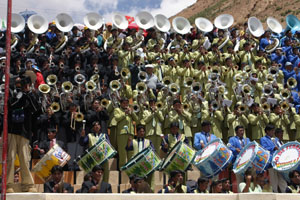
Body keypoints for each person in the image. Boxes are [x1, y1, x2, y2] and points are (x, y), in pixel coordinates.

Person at [7, 76, 39, 193]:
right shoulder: (11, 93)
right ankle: (8, 184)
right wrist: (20, 94)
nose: (21, 85)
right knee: (10, 158)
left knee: (25, 159)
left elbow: (36, 109)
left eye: (23, 83)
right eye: (19, 83)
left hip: (24, 132)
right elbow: (11, 104)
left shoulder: (30, 96)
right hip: (11, 131)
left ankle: (28, 184)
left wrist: (28, 93)